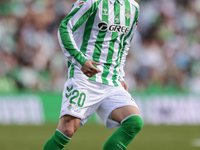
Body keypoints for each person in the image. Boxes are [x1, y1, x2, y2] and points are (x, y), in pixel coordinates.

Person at [43, 0, 143, 149]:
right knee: (67, 129)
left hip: (111, 79)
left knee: (134, 122)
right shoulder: (91, 2)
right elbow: (65, 28)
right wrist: (81, 60)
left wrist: (120, 75)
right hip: (84, 77)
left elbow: (124, 44)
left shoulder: (133, 8)